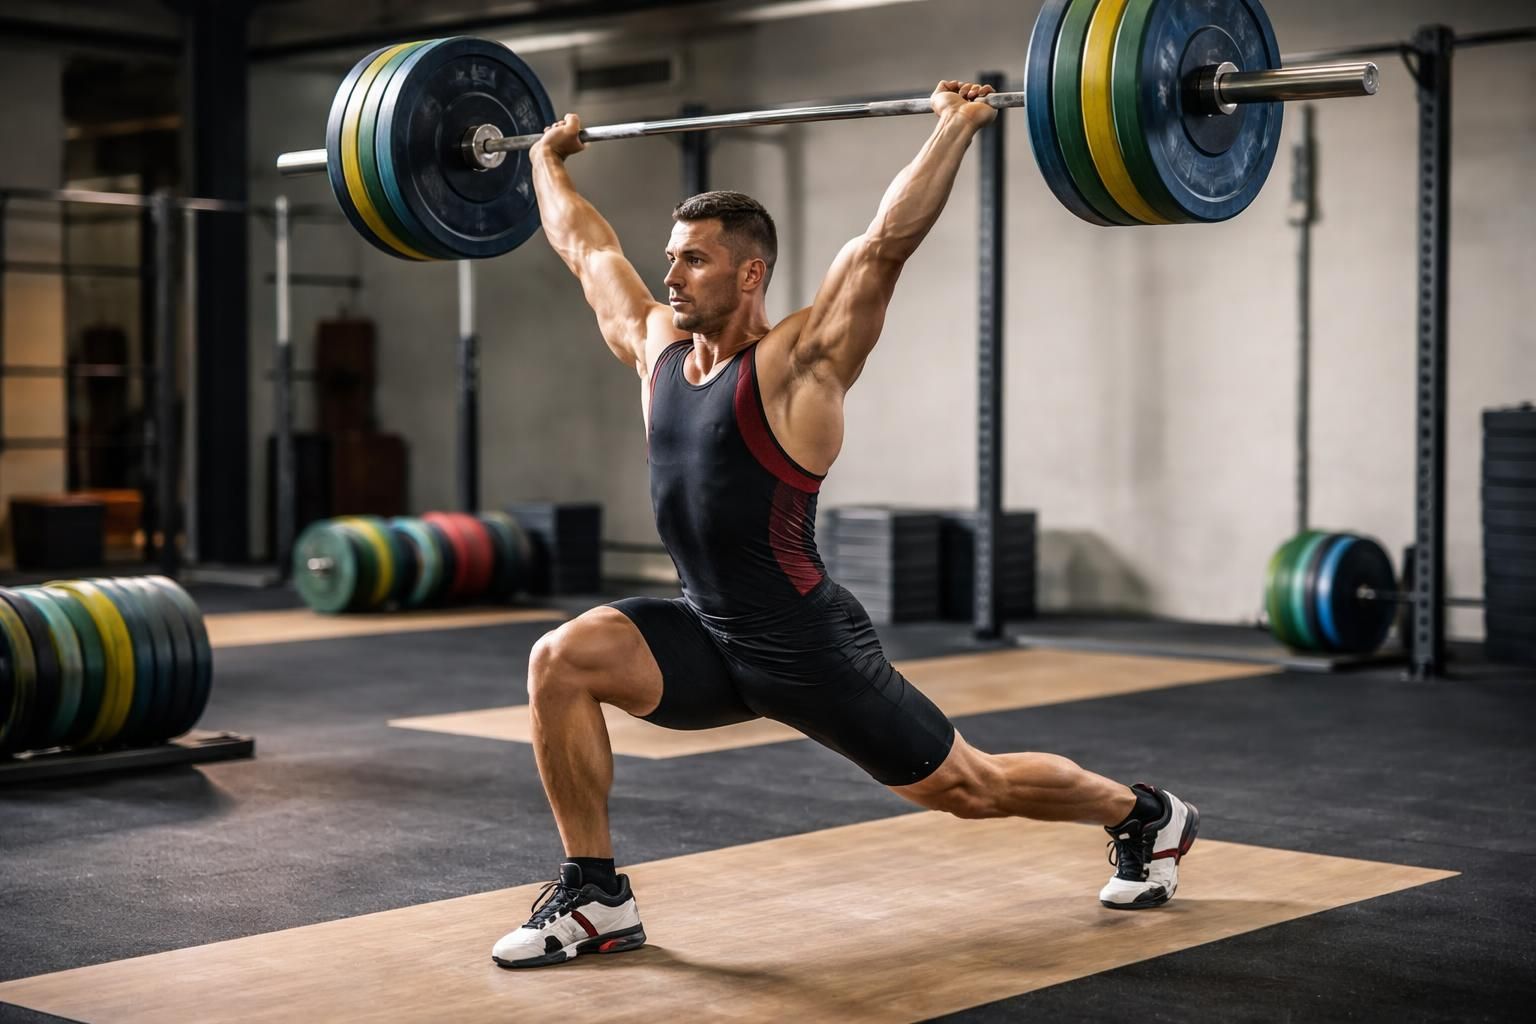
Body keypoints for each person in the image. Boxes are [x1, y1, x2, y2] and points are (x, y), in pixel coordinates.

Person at [492, 81, 1196, 970]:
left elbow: (882, 246)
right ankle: (597, 896)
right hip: (708, 633)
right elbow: (585, 248)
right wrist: (544, 162)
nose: (670, 277)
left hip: (806, 647)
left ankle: (1147, 816)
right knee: (561, 659)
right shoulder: (655, 349)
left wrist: (954, 128)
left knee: (972, 787)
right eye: (672, 259)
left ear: (750, 273)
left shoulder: (800, 365)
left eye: (694, 261)